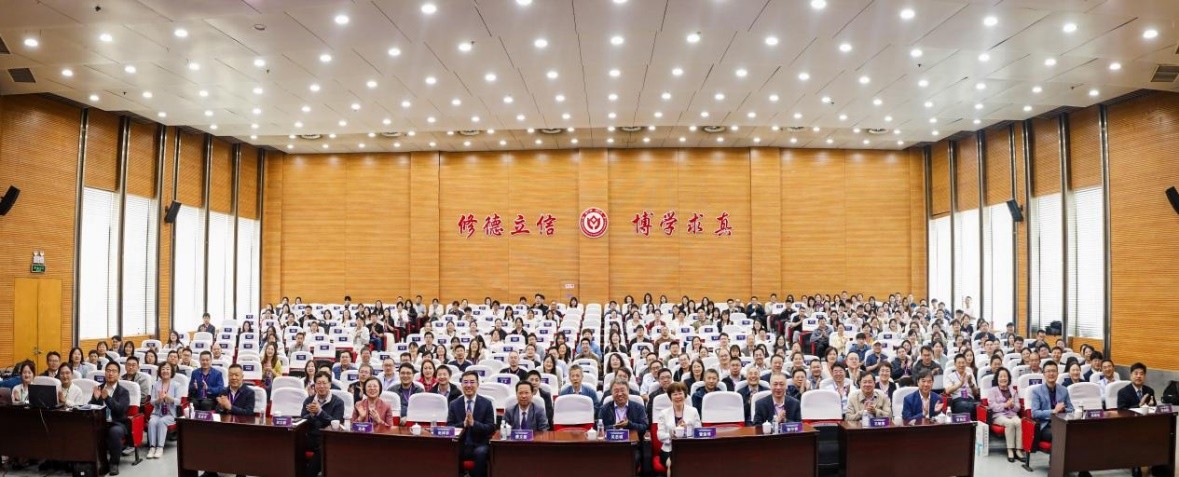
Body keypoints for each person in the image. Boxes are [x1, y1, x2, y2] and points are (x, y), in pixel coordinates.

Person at [447, 371, 496, 477]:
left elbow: (491, 428)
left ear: (478, 384)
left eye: (472, 382)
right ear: (461, 385)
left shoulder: (487, 403)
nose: (468, 385)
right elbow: (449, 427)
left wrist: (474, 423)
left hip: (480, 444)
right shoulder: (454, 404)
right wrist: (463, 424)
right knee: (450, 451)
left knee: (481, 452)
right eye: (465, 382)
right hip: (460, 443)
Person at [597, 379, 648, 471]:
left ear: (628, 391)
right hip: (609, 447)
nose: (620, 394)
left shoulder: (638, 407)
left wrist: (629, 424)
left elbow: (644, 427)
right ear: (611, 393)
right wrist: (614, 427)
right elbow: (599, 428)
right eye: (616, 391)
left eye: (622, 390)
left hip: (631, 447)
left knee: (632, 460)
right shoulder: (604, 409)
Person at [301, 372, 345, 477]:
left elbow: (335, 423)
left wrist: (320, 412)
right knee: (292, 445)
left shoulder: (338, 402)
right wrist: (311, 415)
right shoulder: (309, 400)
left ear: (330, 384)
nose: (321, 386)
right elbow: (302, 420)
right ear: (315, 385)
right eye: (318, 383)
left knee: (321, 451)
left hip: (327, 439)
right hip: (310, 437)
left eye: (324, 383)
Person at [91, 361, 130, 475]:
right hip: (100, 422)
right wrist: (95, 399)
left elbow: (121, 410)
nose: (110, 373)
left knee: (114, 432)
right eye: (108, 370)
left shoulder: (123, 392)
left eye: (114, 371)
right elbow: (91, 407)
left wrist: (107, 398)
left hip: (117, 423)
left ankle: (114, 463)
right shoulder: (99, 388)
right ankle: (95, 462)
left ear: (118, 374)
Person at [655, 382, 700, 473]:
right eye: (674, 394)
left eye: (680, 393)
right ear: (670, 397)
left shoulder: (693, 411)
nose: (678, 397)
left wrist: (687, 429)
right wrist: (673, 434)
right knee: (673, 463)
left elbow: (698, 432)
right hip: (668, 449)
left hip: (688, 448)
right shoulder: (664, 413)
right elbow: (660, 435)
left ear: (685, 395)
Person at [1028, 361, 1074, 447]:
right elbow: (1034, 413)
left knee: (1074, 433)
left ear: (1057, 373)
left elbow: (1071, 410)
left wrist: (1064, 409)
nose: (1051, 374)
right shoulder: (1037, 391)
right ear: (1044, 374)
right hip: (1045, 425)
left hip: (1061, 423)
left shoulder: (1064, 390)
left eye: (1053, 371)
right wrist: (1054, 411)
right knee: (1060, 434)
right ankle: (1058, 456)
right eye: (1048, 371)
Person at [986, 367, 1024, 462]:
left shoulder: (1013, 391)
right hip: (998, 415)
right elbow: (992, 406)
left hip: (1012, 414)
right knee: (1009, 423)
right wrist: (1005, 405)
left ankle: (1018, 450)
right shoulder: (992, 391)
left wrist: (1012, 406)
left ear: (1009, 378)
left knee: (1019, 422)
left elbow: (1018, 407)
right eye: (1001, 376)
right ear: (997, 378)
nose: (1003, 378)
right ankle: (1010, 449)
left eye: (1005, 376)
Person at [146, 363, 182, 460]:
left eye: (167, 369)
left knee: (162, 421)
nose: (165, 371)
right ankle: (152, 447)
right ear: (160, 371)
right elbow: (152, 402)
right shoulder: (156, 385)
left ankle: (160, 447)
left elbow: (178, 401)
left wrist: (168, 398)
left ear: (171, 371)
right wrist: (159, 399)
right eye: (163, 369)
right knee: (152, 422)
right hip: (157, 412)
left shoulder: (176, 385)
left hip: (171, 414)